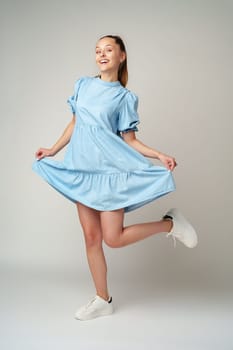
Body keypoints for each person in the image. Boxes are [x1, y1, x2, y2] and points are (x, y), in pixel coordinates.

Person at [33, 34, 198, 321]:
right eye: (97, 50)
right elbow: (75, 123)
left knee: (114, 238)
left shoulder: (124, 97)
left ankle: (169, 225)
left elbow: (130, 140)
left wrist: (158, 155)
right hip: (82, 170)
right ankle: (102, 298)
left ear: (121, 56)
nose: (102, 54)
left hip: (110, 172)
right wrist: (52, 149)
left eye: (108, 49)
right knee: (91, 238)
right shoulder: (83, 85)